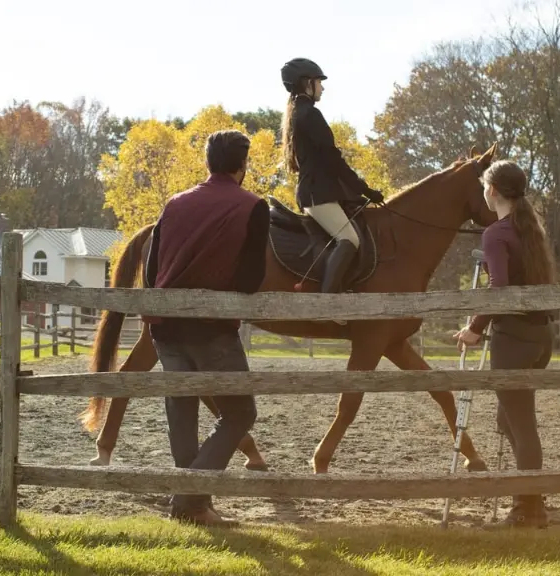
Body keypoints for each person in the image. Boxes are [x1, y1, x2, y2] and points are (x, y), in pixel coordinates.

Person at [142, 129, 267, 527]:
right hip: (211, 328)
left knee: (182, 413)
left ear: (208, 163)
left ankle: (193, 508)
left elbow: (151, 270)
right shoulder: (253, 206)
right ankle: (189, 498)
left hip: (165, 327)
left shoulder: (174, 203)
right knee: (240, 412)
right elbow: (249, 281)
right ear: (242, 166)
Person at [452, 159, 557, 529]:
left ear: (492, 190)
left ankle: (529, 509)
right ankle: (529, 500)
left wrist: (475, 328)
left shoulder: (497, 233)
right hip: (539, 337)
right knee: (509, 419)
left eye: (484, 185)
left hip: (513, 338)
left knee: (521, 423)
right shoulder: (531, 229)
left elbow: (499, 290)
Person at [280, 57, 385, 297]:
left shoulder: (299, 112)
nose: (323, 87)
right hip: (318, 194)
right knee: (350, 239)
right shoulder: (309, 115)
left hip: (319, 191)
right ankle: (329, 300)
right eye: (319, 82)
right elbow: (333, 160)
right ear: (308, 83)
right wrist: (363, 189)